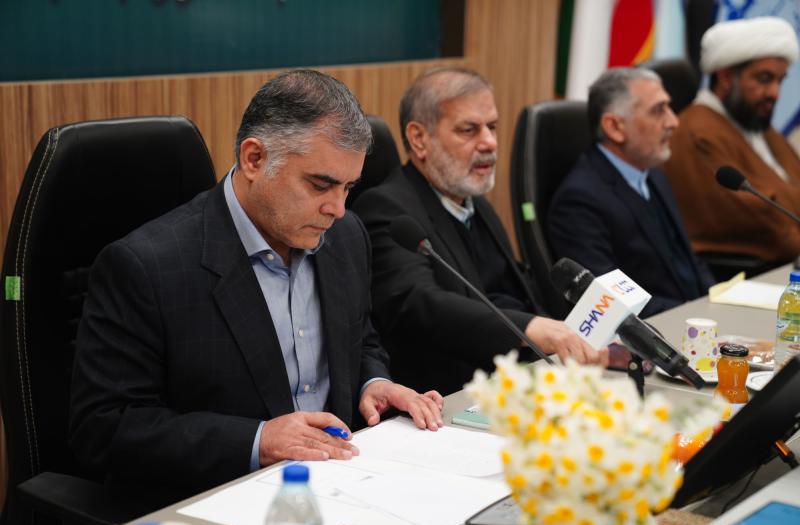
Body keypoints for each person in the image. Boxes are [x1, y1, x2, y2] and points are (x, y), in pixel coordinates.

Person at [69, 70, 444, 503]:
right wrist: (257, 440)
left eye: (348, 188)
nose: (338, 209)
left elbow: (360, 339)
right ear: (254, 159)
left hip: (342, 483)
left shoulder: (345, 236)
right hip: (219, 499)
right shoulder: (145, 266)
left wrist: (371, 383)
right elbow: (103, 427)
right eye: (321, 184)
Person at [352, 68, 607, 396]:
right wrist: (530, 328)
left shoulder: (475, 203)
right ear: (419, 138)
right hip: (445, 397)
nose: (489, 142)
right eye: (468, 130)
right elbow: (419, 303)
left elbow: (508, 291)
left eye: (492, 127)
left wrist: (575, 338)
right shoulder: (388, 209)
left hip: (517, 381)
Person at [548, 68, 715, 318]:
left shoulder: (654, 175)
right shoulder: (579, 201)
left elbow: (689, 260)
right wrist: (696, 314)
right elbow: (611, 302)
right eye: (658, 110)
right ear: (615, 126)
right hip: (655, 331)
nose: (673, 121)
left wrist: (717, 301)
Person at [663, 16, 800, 264]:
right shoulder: (700, 134)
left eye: (780, 81)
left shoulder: (754, 121)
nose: (775, 93)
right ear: (726, 77)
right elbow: (766, 227)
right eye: (764, 79)